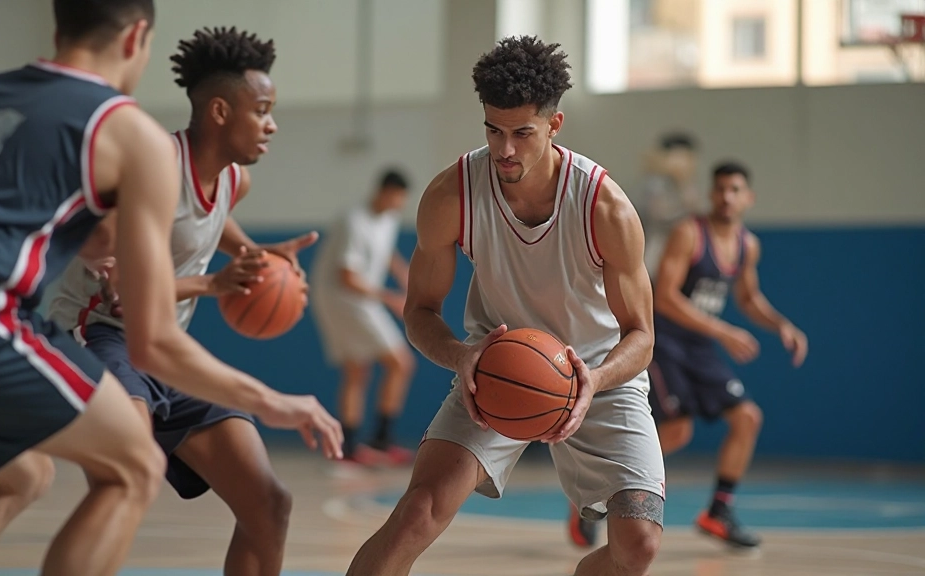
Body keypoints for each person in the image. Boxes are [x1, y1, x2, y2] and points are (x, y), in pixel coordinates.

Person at [0, 2, 341, 575]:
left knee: (19, 474)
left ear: (59, 27)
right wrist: (275, 400)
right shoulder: (125, 129)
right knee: (133, 466)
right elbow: (151, 338)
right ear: (138, 36)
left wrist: (239, 250)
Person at [345, 36, 664, 576]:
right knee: (418, 512)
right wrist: (461, 356)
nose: (505, 149)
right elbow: (419, 310)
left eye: (522, 133)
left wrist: (594, 378)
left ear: (554, 125)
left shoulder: (604, 205)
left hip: (597, 372)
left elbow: (641, 335)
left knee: (639, 545)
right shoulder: (452, 194)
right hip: (494, 369)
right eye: (493, 129)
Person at [47, 27, 320, 576]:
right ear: (219, 111)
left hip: (164, 348)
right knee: (127, 474)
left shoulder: (233, 181)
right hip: (94, 333)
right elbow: (123, 287)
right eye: (261, 109)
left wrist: (257, 256)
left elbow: (210, 220)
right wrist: (217, 285)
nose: (271, 124)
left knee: (267, 502)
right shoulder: (154, 170)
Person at [646, 161, 807, 547]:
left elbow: (748, 297)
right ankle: (600, 491)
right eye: (719, 189)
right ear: (710, 194)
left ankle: (718, 512)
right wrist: (722, 329)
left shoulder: (747, 245)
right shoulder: (689, 233)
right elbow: (664, 297)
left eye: (735, 190)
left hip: (699, 346)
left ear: (748, 198)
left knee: (748, 417)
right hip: (663, 341)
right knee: (677, 430)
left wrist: (781, 324)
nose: (726, 197)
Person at [309, 168, 416, 466]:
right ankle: (381, 440)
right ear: (384, 192)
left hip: (357, 296)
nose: (400, 204)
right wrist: (392, 298)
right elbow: (347, 277)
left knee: (357, 370)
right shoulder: (352, 221)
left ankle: (350, 446)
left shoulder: (388, 219)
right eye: (398, 197)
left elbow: (385, 249)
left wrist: (403, 274)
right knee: (400, 363)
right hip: (343, 298)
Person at [639, 132, 702, 280]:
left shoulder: (686, 185)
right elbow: (659, 216)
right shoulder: (654, 184)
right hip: (653, 257)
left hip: (681, 256)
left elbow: (696, 215)